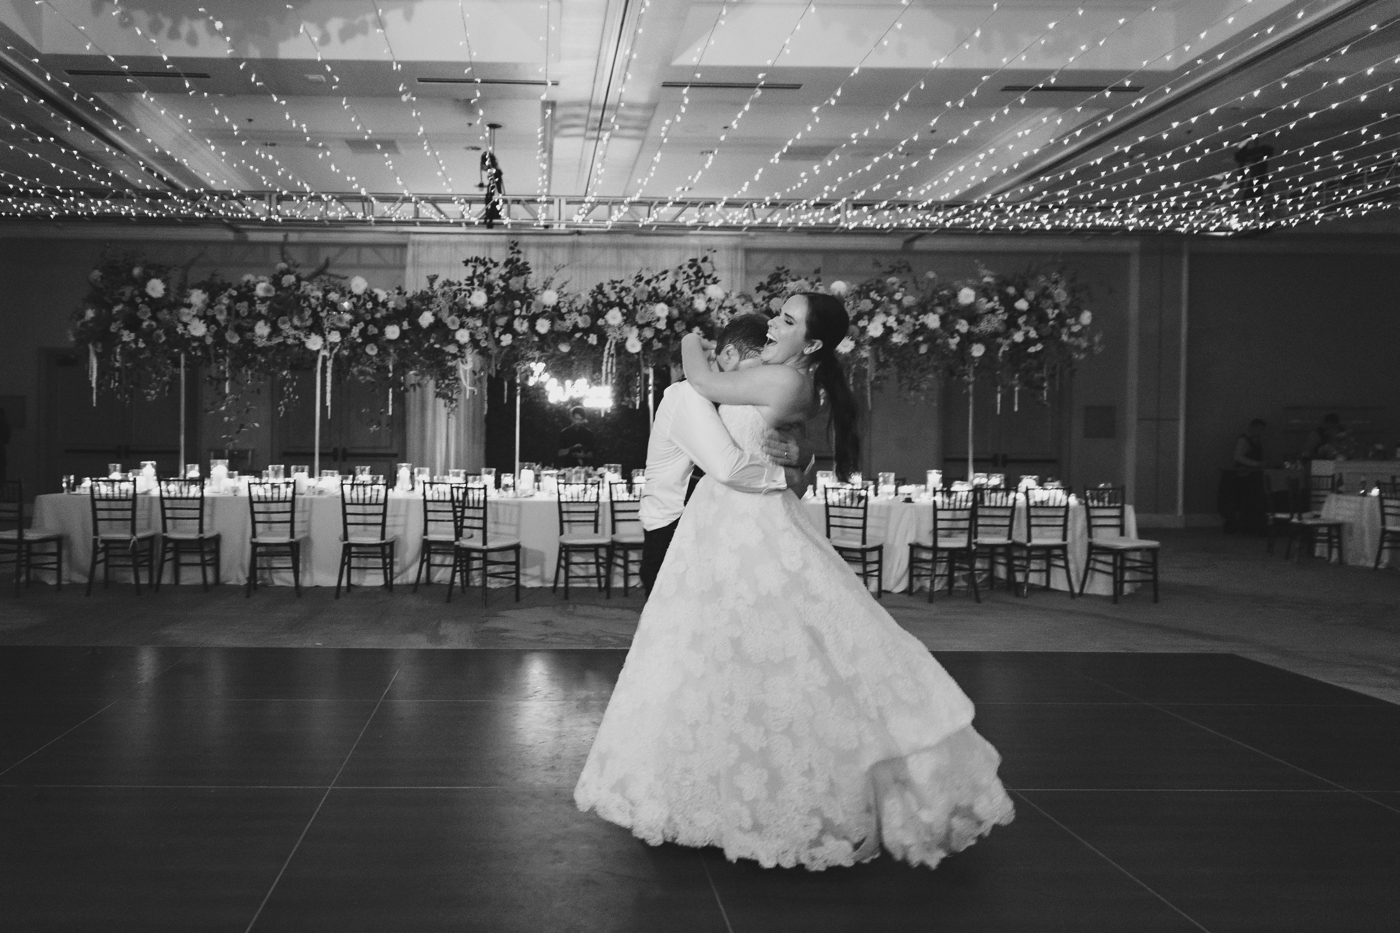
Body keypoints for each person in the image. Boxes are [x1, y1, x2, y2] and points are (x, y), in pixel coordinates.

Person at [575, 293, 1013, 870]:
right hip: (718, 523)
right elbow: (785, 457)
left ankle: (776, 794)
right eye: (776, 315)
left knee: (771, 653)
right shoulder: (777, 377)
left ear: (810, 343)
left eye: (787, 320)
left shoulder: (782, 383)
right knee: (722, 657)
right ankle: (716, 784)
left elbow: (704, 384)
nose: (775, 324)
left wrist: (686, 341)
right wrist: (797, 462)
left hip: (745, 522)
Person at [638, 313, 810, 596]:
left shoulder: (737, 404)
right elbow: (728, 468)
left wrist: (793, 456)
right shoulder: (687, 396)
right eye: (756, 370)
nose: (760, 381)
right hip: (672, 535)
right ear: (729, 354)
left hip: (720, 533)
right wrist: (788, 477)